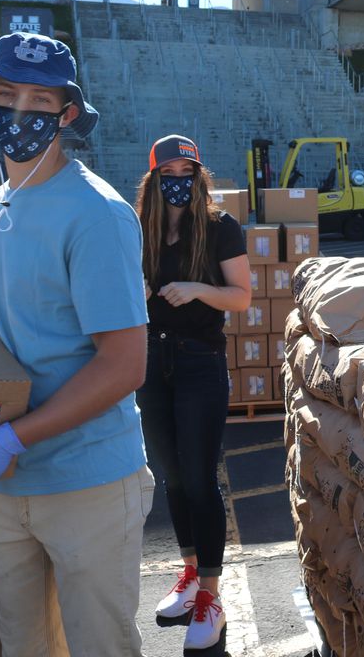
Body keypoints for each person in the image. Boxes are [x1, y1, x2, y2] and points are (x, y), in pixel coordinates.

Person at [0, 32, 153, 656]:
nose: (22, 113)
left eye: (41, 100)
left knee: (99, 648)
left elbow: (124, 365)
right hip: (10, 484)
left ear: (66, 116)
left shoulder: (96, 214)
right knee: (25, 647)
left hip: (87, 478)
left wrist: (7, 437)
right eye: (8, 95)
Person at [135, 135, 250, 651]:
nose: (180, 179)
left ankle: (211, 597)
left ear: (200, 175)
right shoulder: (142, 229)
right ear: (155, 178)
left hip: (201, 362)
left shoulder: (221, 227)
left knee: (201, 479)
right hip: (151, 361)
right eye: (171, 171)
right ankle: (188, 575)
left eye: (189, 169)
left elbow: (242, 296)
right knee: (172, 478)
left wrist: (199, 290)